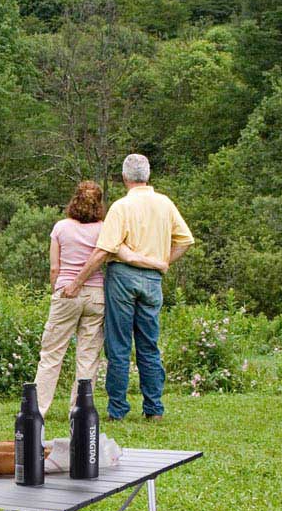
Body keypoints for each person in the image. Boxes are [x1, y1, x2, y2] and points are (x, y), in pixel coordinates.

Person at [62, 154, 194, 422]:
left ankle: (118, 410)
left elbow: (103, 251)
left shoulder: (121, 207)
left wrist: (77, 281)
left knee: (119, 345)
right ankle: (154, 409)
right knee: (149, 345)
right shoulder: (165, 204)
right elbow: (185, 240)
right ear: (148, 175)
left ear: (124, 177)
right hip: (153, 279)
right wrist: (162, 261)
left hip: (123, 277)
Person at [34, 180, 168, 417]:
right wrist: (157, 263)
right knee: (88, 356)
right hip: (96, 295)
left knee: (52, 354)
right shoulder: (105, 228)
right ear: (99, 204)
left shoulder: (60, 228)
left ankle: (38, 409)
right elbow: (119, 255)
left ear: (74, 200)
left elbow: (54, 268)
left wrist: (59, 290)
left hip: (67, 292)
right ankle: (79, 409)